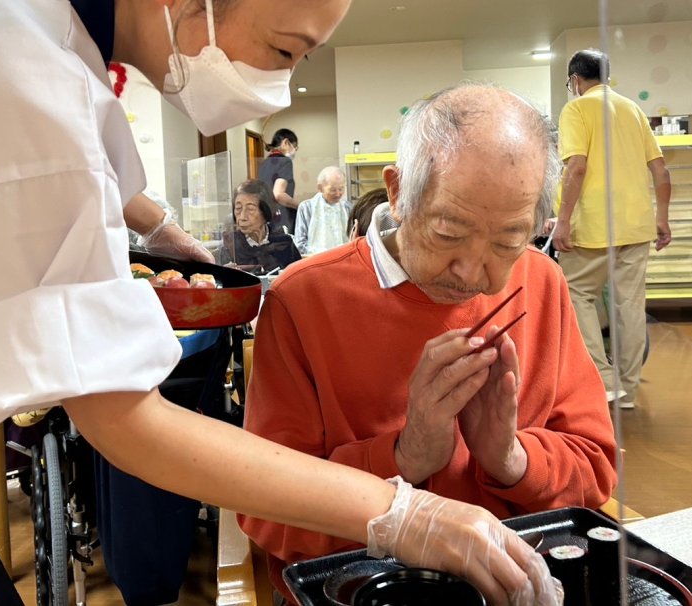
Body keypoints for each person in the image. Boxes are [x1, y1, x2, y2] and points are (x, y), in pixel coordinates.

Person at [0, 0, 558, 604]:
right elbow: (123, 420)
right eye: (285, 51)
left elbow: (54, 157)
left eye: (509, 241)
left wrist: (157, 223)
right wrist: (403, 511)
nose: (281, 83)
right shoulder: (5, 66)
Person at [239, 84, 618, 603]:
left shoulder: (541, 282)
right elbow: (265, 512)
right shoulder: (301, 301)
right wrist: (404, 456)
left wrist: (511, 460)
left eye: (508, 241)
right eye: (447, 231)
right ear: (397, 192)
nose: (471, 273)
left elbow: (594, 468)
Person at [554, 49, 672, 409]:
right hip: (637, 225)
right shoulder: (632, 109)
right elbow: (661, 171)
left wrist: (562, 219)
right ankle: (628, 391)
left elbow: (576, 167)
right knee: (630, 306)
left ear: (575, 80)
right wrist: (662, 217)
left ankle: (605, 381)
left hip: (593, 226)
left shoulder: (577, 108)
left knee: (577, 295)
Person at [218, 180, 302, 272]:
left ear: (266, 212)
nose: (242, 217)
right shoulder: (229, 245)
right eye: (238, 209)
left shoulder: (284, 242)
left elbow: (299, 279)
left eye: (250, 209)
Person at [293, 166, 351, 255]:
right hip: (314, 261)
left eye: (341, 189)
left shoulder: (347, 207)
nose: (338, 194)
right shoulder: (306, 208)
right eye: (333, 190)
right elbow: (300, 243)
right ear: (320, 188)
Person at [258, 128, 300, 232]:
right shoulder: (284, 162)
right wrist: (301, 206)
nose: (294, 151)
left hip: (267, 218)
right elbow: (278, 195)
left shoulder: (265, 163)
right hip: (282, 219)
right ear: (286, 143)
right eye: (295, 147)